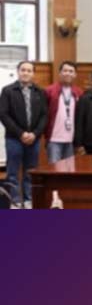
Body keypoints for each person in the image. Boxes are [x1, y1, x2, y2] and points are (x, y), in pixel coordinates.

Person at [0, 61, 47, 209]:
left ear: (33, 73)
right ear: (18, 71)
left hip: (34, 139)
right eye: (23, 70)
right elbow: (3, 114)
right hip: (14, 138)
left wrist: (35, 134)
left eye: (29, 70)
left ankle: (28, 200)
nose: (26, 73)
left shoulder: (40, 92)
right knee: (12, 172)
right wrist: (21, 133)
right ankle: (15, 201)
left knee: (30, 172)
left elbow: (44, 116)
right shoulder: (8, 90)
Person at [44, 61, 83, 164]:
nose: (68, 73)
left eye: (71, 71)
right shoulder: (49, 91)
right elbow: (43, 115)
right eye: (65, 71)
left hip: (71, 140)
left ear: (75, 75)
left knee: (69, 170)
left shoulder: (79, 92)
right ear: (60, 73)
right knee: (54, 169)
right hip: (54, 139)